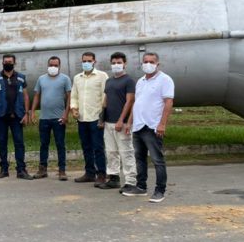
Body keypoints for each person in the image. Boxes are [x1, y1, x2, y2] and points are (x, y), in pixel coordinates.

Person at [123, 52, 175, 203]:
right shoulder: (140, 81)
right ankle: (141, 187)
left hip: (152, 126)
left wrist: (162, 124)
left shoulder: (165, 80)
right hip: (138, 125)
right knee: (139, 158)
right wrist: (129, 122)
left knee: (157, 159)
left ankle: (160, 190)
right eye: (145, 61)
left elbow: (168, 102)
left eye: (151, 62)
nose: (148, 64)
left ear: (157, 64)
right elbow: (136, 103)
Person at [0, 54, 32, 179]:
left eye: (10, 62)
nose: (7, 63)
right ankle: (4, 169)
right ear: (2, 63)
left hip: (17, 116)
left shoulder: (21, 77)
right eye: (5, 62)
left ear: (14, 63)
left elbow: (26, 96)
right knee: (2, 142)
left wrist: (26, 113)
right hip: (1, 115)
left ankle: (21, 170)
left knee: (19, 143)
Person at [97, 52, 137, 191]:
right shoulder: (109, 81)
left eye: (119, 62)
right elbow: (106, 100)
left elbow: (130, 101)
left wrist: (122, 120)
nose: (116, 65)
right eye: (113, 63)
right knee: (111, 151)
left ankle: (131, 181)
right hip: (108, 123)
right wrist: (102, 118)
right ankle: (113, 178)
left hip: (122, 123)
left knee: (126, 152)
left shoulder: (129, 81)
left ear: (125, 64)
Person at [29, 55, 71, 180]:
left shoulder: (65, 79)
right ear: (47, 66)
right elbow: (37, 95)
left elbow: (69, 97)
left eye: (55, 65)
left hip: (59, 118)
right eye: (51, 65)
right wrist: (32, 111)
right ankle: (42, 169)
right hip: (44, 118)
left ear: (59, 66)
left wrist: (66, 114)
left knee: (60, 144)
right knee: (44, 144)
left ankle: (62, 170)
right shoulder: (41, 79)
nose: (53, 67)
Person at [69, 51, 108, 184]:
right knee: (86, 147)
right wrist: (74, 108)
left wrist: (103, 116)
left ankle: (101, 174)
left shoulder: (102, 76)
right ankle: (89, 173)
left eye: (89, 61)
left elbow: (105, 96)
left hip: (96, 117)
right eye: (84, 61)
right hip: (82, 118)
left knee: (98, 147)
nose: (86, 63)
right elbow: (74, 96)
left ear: (94, 62)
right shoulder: (77, 78)